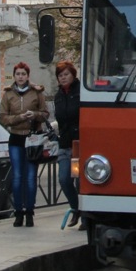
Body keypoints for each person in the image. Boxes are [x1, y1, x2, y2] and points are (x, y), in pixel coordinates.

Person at [0, 62, 48, 228]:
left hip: (33, 139)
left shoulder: (36, 92)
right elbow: (3, 117)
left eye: (23, 74)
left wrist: (33, 115)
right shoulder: (8, 94)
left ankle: (30, 212)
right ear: (14, 76)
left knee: (31, 178)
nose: (20, 77)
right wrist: (19, 118)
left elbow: (45, 114)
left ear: (28, 76)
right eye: (18, 74)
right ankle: (18, 212)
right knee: (18, 177)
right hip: (16, 138)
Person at [53, 61, 82, 229]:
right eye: (60, 75)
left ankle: (85, 215)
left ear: (73, 75)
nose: (63, 78)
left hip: (79, 142)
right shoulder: (58, 95)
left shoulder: (80, 92)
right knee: (64, 179)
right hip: (64, 142)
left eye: (66, 74)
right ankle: (75, 208)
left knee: (80, 181)